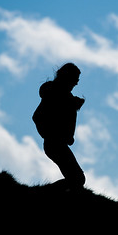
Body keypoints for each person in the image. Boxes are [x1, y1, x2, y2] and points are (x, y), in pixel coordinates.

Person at [33, 63, 86, 191]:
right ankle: (43, 193)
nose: (77, 83)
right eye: (75, 79)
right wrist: (52, 134)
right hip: (54, 144)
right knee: (77, 179)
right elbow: (37, 116)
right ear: (68, 77)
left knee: (76, 179)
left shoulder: (64, 96)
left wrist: (67, 136)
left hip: (57, 143)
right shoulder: (55, 93)